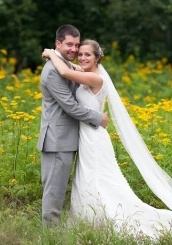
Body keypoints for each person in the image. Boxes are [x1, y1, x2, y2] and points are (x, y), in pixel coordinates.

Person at [42, 39, 172, 239]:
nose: (83, 57)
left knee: (98, 178)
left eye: (88, 55)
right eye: (81, 54)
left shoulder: (96, 78)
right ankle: (90, 219)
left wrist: (51, 53)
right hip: (85, 136)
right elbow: (70, 66)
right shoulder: (86, 73)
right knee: (85, 178)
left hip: (94, 138)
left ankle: (103, 219)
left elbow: (66, 72)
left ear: (97, 58)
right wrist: (59, 56)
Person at [37, 25, 108, 226]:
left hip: (69, 139)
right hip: (57, 140)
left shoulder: (65, 65)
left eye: (77, 45)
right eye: (69, 44)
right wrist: (97, 118)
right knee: (54, 189)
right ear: (58, 43)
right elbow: (70, 106)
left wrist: (51, 54)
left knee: (61, 188)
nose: (74, 50)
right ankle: (50, 235)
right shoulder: (53, 70)